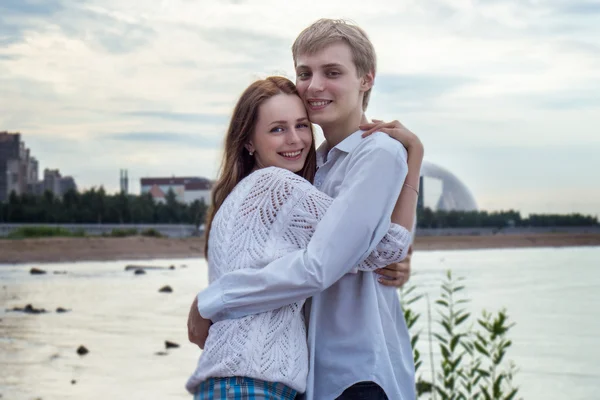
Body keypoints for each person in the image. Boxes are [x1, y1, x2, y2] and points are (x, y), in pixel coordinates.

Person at [190, 19, 424, 400]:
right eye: (305, 73)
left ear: (366, 80)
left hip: (355, 370)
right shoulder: (310, 168)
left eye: (332, 72)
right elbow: (370, 250)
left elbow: (322, 263)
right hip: (311, 376)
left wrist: (216, 299)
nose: (314, 86)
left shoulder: (377, 152)